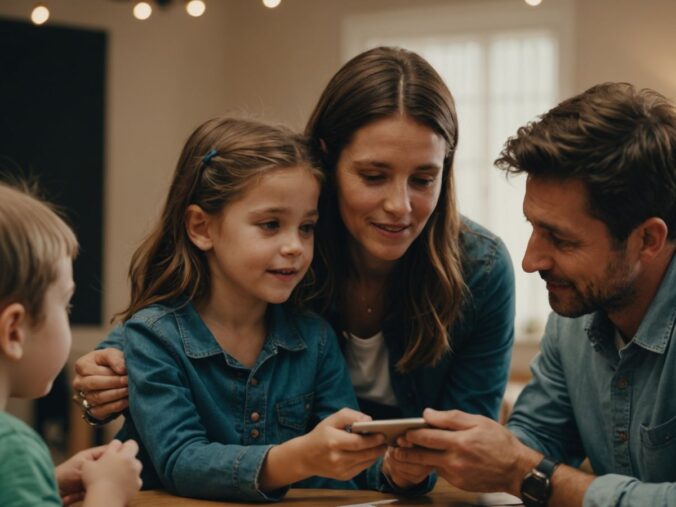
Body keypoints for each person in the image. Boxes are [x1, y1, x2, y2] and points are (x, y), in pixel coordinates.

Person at [73, 47, 515, 490]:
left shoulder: (480, 268)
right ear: (328, 160)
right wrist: (101, 379)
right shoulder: (287, 251)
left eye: (423, 179)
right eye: (373, 175)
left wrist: (395, 472)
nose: (399, 206)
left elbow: (454, 436)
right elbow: (149, 344)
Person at [390, 82, 676, 506]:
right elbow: (537, 439)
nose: (529, 260)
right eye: (533, 227)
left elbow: (526, 466)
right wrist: (461, 450)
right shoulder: (573, 319)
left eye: (560, 239)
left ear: (648, 239)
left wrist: (525, 471)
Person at [90, 117, 392, 502]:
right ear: (201, 227)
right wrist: (297, 457)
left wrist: (396, 470)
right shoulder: (153, 337)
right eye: (270, 224)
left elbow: (343, 463)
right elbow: (180, 460)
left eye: (306, 227)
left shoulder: (315, 339)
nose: (295, 246)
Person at [0, 182, 142, 507]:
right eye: (65, 306)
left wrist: (43, 482)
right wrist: (108, 491)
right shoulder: (13, 448)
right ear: (13, 332)